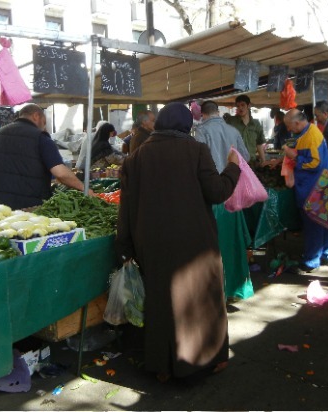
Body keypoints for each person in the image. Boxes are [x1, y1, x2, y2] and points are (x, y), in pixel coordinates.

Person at [116, 102, 240, 382]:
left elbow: (126, 206)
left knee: (161, 301)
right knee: (202, 297)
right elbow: (217, 192)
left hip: (152, 241)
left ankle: (163, 366)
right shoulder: (196, 150)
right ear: (185, 125)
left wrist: (123, 246)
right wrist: (233, 168)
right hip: (194, 239)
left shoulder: (135, 158)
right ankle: (212, 358)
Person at [195, 100, 252, 301]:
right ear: (218, 112)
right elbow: (246, 157)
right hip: (232, 193)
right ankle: (237, 289)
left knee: (215, 245)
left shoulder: (201, 132)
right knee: (233, 243)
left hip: (212, 196)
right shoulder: (233, 131)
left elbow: (199, 164)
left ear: (203, 114)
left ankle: (217, 291)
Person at [0, 104, 85, 210]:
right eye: (44, 123)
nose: (44, 127)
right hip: (23, 209)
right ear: (36, 116)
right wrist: (85, 190)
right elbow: (60, 173)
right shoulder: (40, 138)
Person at [283, 109, 328, 274]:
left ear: (297, 123)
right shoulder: (308, 132)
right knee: (323, 221)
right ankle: (327, 254)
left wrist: (294, 157)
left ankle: (311, 261)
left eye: (289, 126)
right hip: (321, 183)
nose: (289, 130)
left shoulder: (311, 135)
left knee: (313, 223)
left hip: (314, 186)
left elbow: (315, 163)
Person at [225, 95, 266, 164]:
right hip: (235, 164)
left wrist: (263, 160)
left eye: (243, 105)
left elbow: (259, 144)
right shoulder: (231, 122)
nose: (240, 108)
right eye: (238, 106)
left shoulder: (256, 124)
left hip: (251, 163)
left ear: (249, 105)